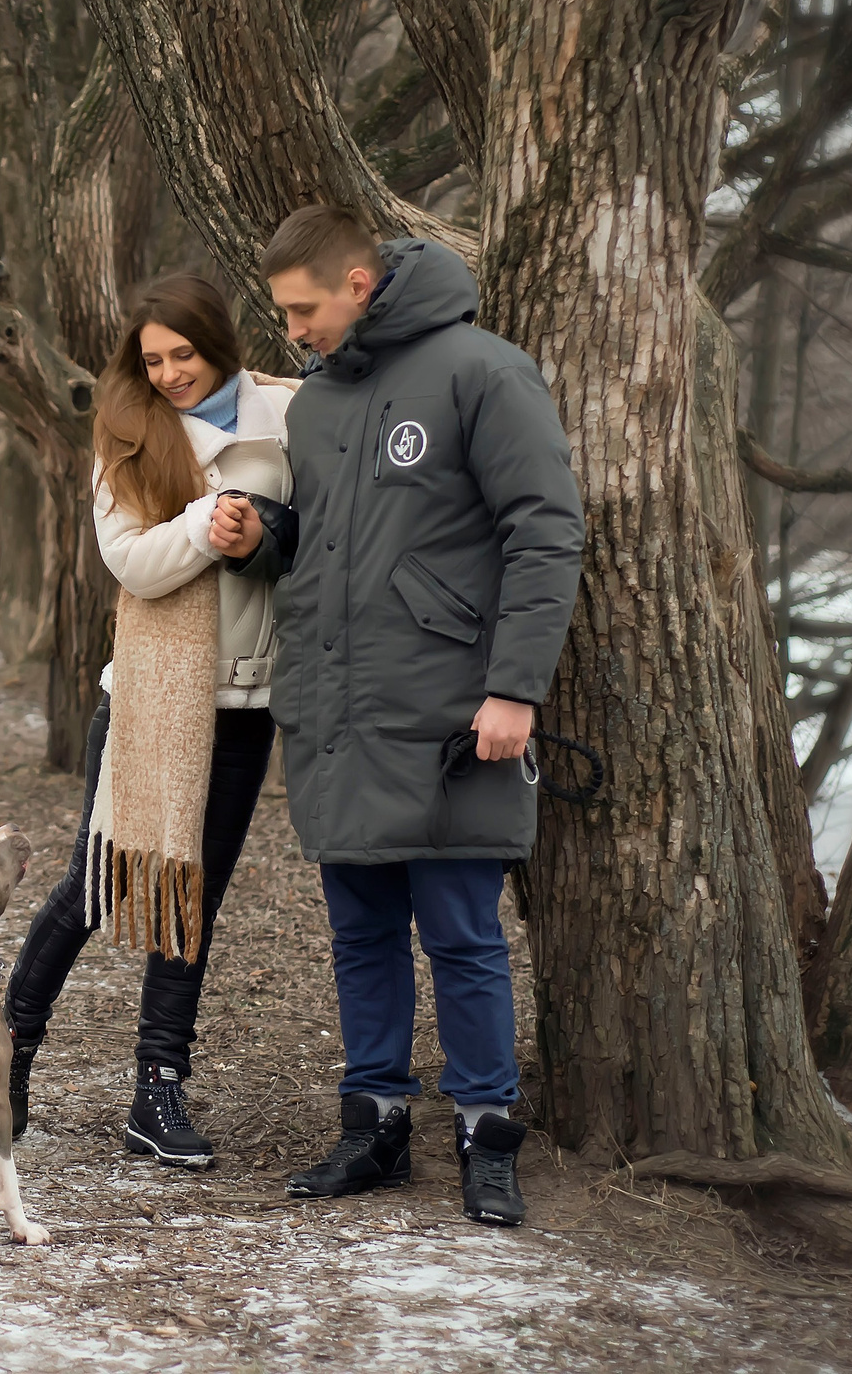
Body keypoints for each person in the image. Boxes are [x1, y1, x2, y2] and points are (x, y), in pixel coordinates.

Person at [219, 204, 583, 1227]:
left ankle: (484, 1133)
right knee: (359, 929)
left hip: (452, 710)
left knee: (462, 931)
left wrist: (515, 686)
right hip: (340, 707)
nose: (292, 330)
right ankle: (372, 1126)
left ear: (359, 284)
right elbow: (338, 544)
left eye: (303, 308)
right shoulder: (321, 404)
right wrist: (268, 535)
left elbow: (545, 531)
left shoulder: (485, 371)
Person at [4, 273, 296, 1168]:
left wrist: (267, 533)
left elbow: (324, 531)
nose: (168, 372)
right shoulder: (128, 432)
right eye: (153, 357)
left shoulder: (291, 414)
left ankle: (157, 1088)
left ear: (220, 342)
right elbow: (130, 562)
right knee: (99, 885)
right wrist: (211, 523)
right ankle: (6, 1051)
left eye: (184, 354)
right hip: (144, 699)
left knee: (189, 897)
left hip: (246, 697)